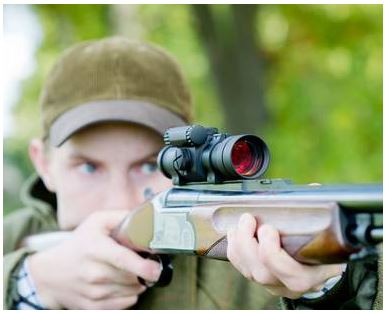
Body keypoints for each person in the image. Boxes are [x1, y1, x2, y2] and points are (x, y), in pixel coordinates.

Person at [3, 36, 381, 310]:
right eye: (88, 167)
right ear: (42, 163)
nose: (119, 200)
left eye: (150, 165)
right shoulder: (12, 240)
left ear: (184, 159)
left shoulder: (243, 266)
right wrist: (29, 284)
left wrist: (331, 288)